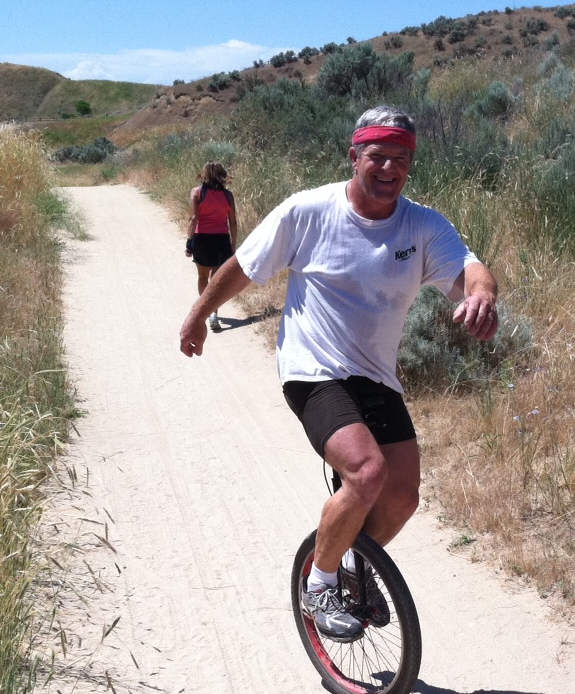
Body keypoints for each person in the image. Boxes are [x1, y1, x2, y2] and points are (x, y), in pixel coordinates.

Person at [179, 106, 498, 640]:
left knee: (402, 496)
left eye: (401, 158)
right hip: (313, 369)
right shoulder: (308, 211)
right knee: (366, 473)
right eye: (377, 156)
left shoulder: (421, 225)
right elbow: (244, 267)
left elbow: (468, 267)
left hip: (375, 376)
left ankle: (350, 559)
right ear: (354, 156)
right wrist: (196, 316)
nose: (389, 167)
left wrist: (482, 295)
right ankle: (319, 585)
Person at [185, 161, 238, 332]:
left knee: (202, 276)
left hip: (202, 239)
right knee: (216, 280)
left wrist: (189, 241)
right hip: (221, 239)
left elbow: (193, 219)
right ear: (223, 175)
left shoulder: (197, 192)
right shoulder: (228, 196)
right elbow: (233, 222)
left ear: (204, 174)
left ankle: (205, 311)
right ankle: (214, 313)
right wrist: (233, 244)